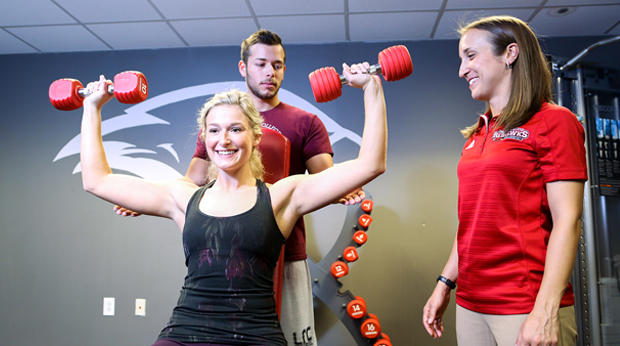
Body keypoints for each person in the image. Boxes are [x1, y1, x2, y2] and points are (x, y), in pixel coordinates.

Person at [80, 60, 385, 346]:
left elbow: (370, 164)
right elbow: (96, 180)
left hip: (256, 335)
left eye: (235, 129)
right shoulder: (183, 197)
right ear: (205, 137)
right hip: (186, 332)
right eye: (214, 130)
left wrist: (371, 88)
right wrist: (91, 107)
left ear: (255, 136)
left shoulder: (281, 196)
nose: (223, 140)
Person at [422, 15, 587, 346]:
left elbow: (568, 220)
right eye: (460, 59)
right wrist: (445, 283)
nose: (461, 69)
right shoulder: (479, 132)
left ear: (510, 53)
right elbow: (473, 222)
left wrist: (546, 310)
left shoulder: (553, 121)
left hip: (524, 304)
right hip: (471, 303)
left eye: (470, 55)